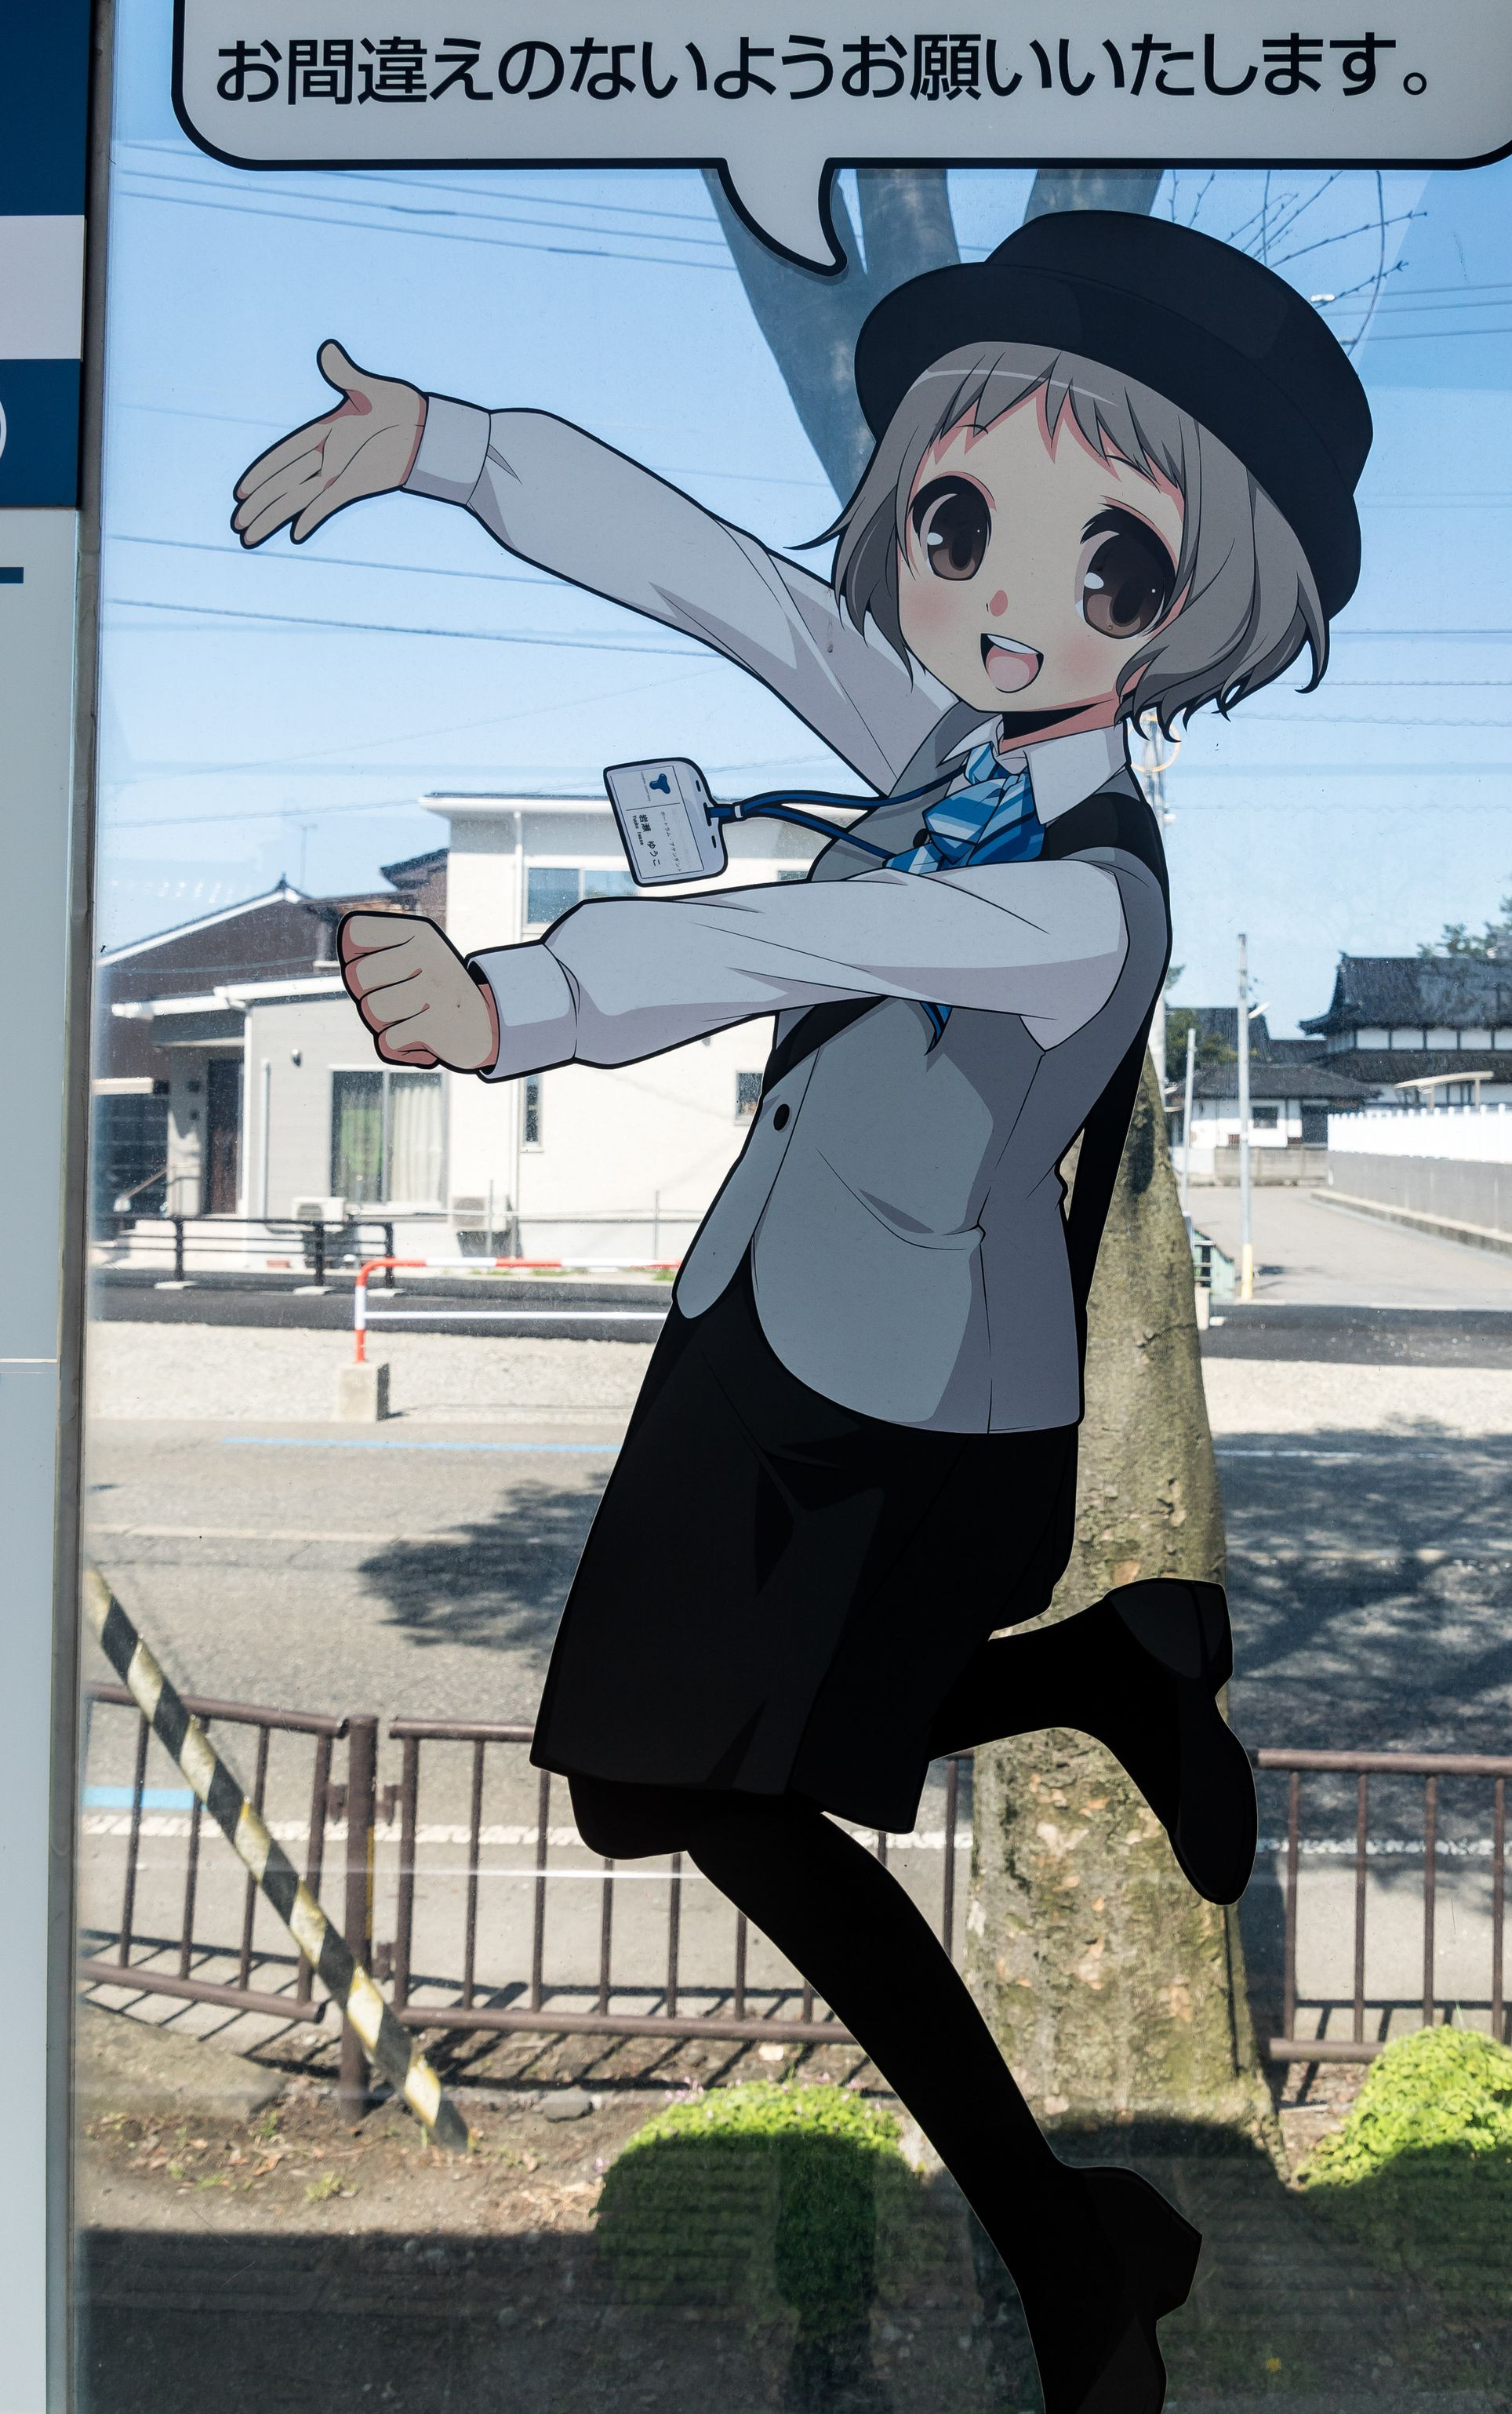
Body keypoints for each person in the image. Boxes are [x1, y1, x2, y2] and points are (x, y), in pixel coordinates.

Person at [233, 209, 1370, 2412]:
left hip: (905, 1409)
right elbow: (725, 583)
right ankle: (1104, 1693)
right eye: (957, 522)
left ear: (1204, 608)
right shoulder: (941, 748)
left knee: (685, 1788)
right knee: (655, 1789)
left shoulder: (1092, 895)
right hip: (759, 1328)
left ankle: (1064, 2242)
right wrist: (450, 444)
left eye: (1112, 565)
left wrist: (521, 1001)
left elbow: (789, 942)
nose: (1009, 596)